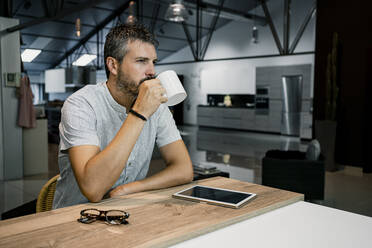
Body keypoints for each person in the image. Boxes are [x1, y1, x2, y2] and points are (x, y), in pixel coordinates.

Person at [52, 23, 193, 209]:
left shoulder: (158, 108)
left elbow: (183, 169)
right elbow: (93, 188)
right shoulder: (81, 104)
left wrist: (131, 188)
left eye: (154, 62)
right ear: (113, 65)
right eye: (141, 61)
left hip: (123, 210)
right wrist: (140, 112)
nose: (152, 71)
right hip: (74, 216)